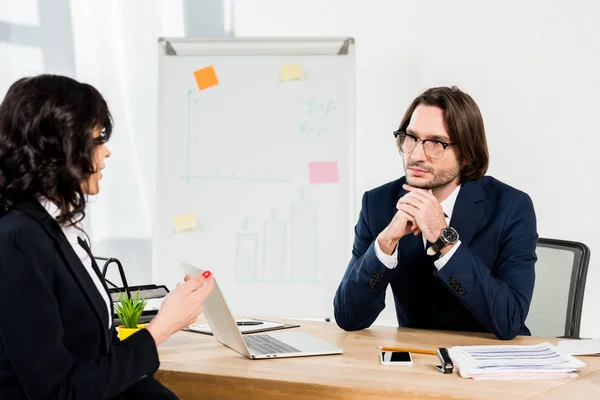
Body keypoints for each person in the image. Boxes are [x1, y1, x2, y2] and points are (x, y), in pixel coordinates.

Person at [0, 74, 214, 399]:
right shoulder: (18, 240)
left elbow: (95, 352)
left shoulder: (60, 228)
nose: (107, 153)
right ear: (62, 145)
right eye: (98, 138)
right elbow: (58, 393)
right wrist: (160, 329)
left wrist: (169, 315)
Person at [333, 86, 537, 340]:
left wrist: (443, 239)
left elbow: (510, 320)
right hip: (418, 361)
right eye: (411, 138)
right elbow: (348, 318)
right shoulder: (379, 204)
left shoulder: (510, 206)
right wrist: (385, 244)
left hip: (493, 361)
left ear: (466, 155)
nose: (416, 155)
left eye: (436, 143)